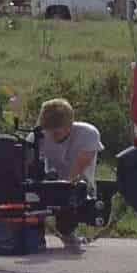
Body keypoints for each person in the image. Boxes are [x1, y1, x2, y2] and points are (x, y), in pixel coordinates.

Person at [33, 98, 103, 251]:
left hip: (78, 185)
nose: (51, 135)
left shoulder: (88, 134)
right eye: (48, 130)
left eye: (56, 131)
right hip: (50, 183)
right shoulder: (39, 137)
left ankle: (68, 233)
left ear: (69, 126)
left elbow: (78, 169)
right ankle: (33, 236)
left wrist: (60, 187)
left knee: (68, 196)